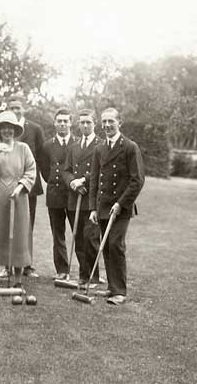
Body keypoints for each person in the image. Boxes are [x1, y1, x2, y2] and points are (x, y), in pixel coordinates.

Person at [89, 107, 145, 305]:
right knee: (106, 247)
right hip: (103, 207)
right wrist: (93, 208)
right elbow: (94, 180)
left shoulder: (130, 147)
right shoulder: (99, 148)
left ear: (119, 122)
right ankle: (112, 288)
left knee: (115, 245)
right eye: (103, 122)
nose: (106, 125)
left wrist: (120, 204)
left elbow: (137, 180)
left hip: (121, 208)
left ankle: (119, 291)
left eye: (110, 121)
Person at [0, 110, 36, 292]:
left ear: (15, 130)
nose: (7, 131)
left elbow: (31, 171)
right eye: (4, 128)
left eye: (10, 128)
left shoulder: (23, 148)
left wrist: (20, 188)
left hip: (18, 198)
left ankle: (18, 280)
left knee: (18, 236)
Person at [62, 109, 104, 286]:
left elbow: (101, 171)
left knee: (91, 239)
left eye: (88, 122)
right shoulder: (74, 146)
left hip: (92, 200)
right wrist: (72, 182)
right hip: (75, 200)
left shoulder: (101, 145)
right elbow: (66, 171)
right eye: (82, 122)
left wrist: (83, 180)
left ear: (95, 124)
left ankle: (93, 277)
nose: (85, 126)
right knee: (78, 238)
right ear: (78, 124)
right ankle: (83, 275)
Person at [6, 95, 45, 278]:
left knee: (26, 225)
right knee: (6, 224)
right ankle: (6, 264)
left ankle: (27, 265)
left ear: (24, 109)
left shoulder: (35, 129)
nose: (15, 111)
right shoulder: (3, 129)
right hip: (6, 185)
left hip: (29, 186)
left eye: (18, 108)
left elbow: (42, 157)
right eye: (11, 108)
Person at [40, 107, 77, 279]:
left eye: (65, 121)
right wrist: (55, 182)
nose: (62, 124)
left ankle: (86, 271)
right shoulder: (47, 145)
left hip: (74, 194)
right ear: (55, 123)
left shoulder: (77, 143)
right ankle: (62, 270)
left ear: (71, 123)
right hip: (54, 194)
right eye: (59, 121)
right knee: (58, 234)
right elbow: (45, 171)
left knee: (80, 233)